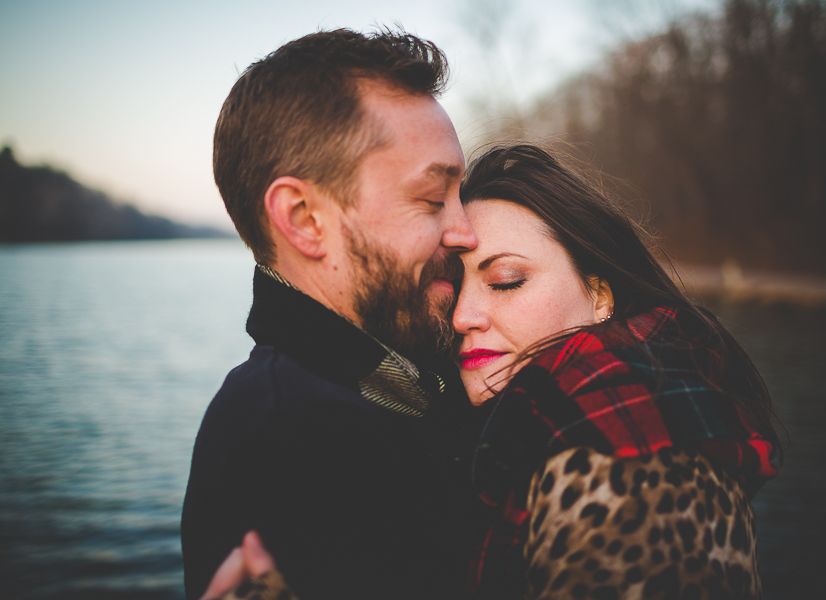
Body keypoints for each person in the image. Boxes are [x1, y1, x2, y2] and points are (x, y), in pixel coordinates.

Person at [201, 145, 781, 600]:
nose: (463, 316)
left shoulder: (629, 462)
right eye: (454, 285)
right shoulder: (527, 434)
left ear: (600, 295)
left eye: (506, 280)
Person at [180, 29, 482, 600]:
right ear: (304, 219)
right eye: (432, 200)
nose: (466, 233)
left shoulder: (407, 385)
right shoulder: (296, 444)